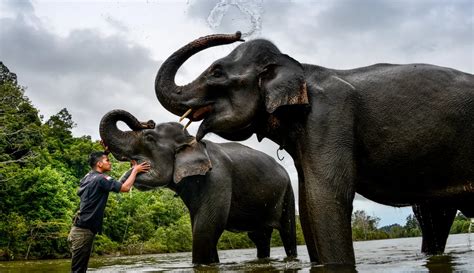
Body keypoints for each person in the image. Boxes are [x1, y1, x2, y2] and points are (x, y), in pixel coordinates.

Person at [67, 151, 150, 273]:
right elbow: (125, 188)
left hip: (77, 231)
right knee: (78, 271)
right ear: (99, 164)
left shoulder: (87, 176)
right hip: (83, 233)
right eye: (107, 160)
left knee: (78, 269)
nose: (110, 163)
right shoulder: (102, 179)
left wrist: (106, 151)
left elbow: (115, 180)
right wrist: (135, 170)